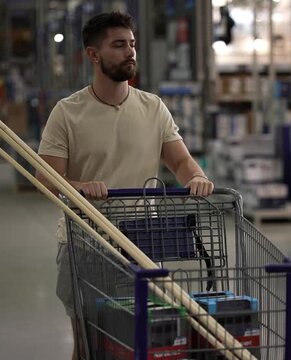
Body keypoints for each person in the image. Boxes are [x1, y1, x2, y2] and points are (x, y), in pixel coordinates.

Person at [36, 11, 214, 359]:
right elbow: (47, 177)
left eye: (132, 44)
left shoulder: (153, 108)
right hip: (85, 245)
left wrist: (196, 177)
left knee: (138, 344)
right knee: (89, 346)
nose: (130, 52)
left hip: (139, 243)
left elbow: (179, 161)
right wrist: (80, 186)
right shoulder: (67, 112)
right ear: (94, 55)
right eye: (119, 45)